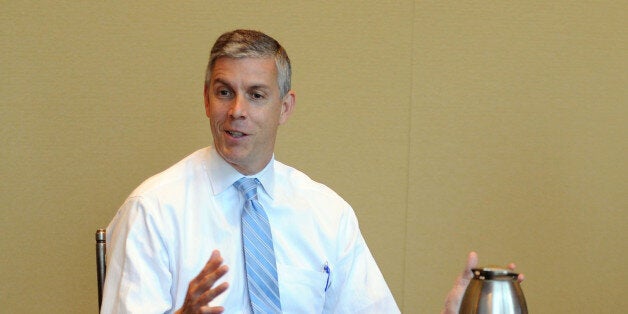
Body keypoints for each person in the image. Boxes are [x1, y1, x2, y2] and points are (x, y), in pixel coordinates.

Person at [102, 29, 521, 314]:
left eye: (257, 95)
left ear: (285, 107)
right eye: (224, 92)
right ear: (206, 100)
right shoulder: (152, 210)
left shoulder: (326, 212)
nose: (237, 111)